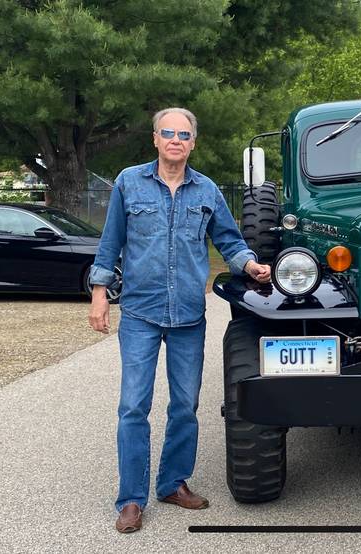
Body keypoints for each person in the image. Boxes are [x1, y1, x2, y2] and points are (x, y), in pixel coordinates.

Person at [87, 107, 272, 533]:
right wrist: (100, 296)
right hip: (139, 313)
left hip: (189, 314)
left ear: (193, 142)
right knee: (134, 406)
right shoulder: (129, 183)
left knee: (185, 406)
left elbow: (229, 240)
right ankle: (131, 499)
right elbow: (110, 243)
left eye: (183, 134)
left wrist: (251, 266)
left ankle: (172, 483)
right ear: (155, 138)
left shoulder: (207, 191)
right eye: (167, 132)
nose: (175, 139)